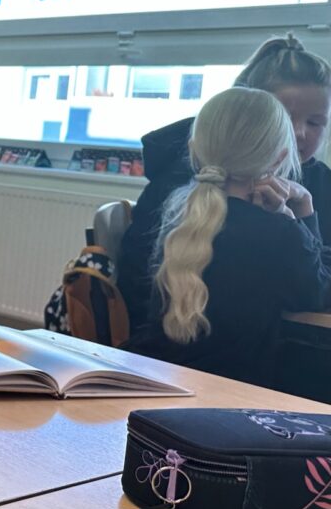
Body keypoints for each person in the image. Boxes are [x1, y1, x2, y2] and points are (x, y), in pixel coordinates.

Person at [119, 35, 331, 330]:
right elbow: (138, 283)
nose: (299, 133)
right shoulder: (180, 185)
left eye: (315, 122)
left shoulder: (319, 182)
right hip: (219, 345)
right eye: (284, 118)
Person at [126, 87, 331, 389]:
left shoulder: (179, 216)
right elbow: (319, 293)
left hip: (160, 377)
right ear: (279, 160)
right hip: (230, 393)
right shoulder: (279, 233)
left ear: (195, 150)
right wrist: (304, 212)